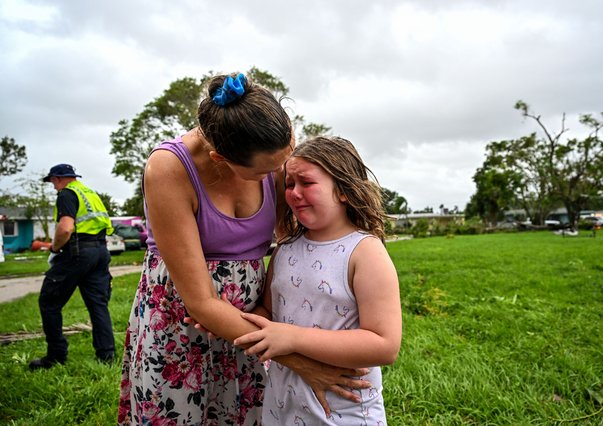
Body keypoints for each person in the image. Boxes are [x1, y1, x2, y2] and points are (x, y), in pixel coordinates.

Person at [118, 73, 368, 425]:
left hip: (254, 328)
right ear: (221, 158)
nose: (280, 174)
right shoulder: (169, 168)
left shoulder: (272, 150)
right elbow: (201, 303)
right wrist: (301, 361)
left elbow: (292, 247)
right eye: (265, 172)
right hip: (185, 327)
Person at [234, 136, 402, 424]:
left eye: (306, 183)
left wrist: (292, 337)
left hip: (343, 411)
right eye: (289, 185)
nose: (294, 193)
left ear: (343, 190)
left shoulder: (364, 252)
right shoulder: (285, 249)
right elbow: (269, 311)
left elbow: (384, 344)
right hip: (282, 406)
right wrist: (230, 317)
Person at [29, 164, 116, 370]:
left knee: (49, 302)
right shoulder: (91, 194)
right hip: (100, 252)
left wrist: (55, 248)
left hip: (77, 252)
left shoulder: (67, 194)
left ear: (58, 178)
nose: (53, 187)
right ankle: (107, 356)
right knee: (98, 305)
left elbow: (66, 228)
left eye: (52, 182)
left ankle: (56, 355)